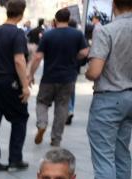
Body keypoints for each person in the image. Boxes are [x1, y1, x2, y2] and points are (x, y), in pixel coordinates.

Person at [85, 0, 132, 179]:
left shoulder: (106, 31)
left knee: (104, 158)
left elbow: (95, 72)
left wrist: (87, 69)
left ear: (114, 5)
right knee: (122, 155)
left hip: (109, 98)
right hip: (130, 97)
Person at [0, 0, 31, 172]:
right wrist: (25, 86)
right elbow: (19, 60)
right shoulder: (17, 34)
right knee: (19, 119)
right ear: (21, 13)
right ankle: (15, 159)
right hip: (10, 83)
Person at [28, 8, 89, 148]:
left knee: (42, 102)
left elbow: (38, 57)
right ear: (68, 19)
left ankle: (42, 123)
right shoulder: (77, 34)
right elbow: (85, 52)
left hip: (49, 77)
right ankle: (56, 139)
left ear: (55, 20)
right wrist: (75, 57)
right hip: (68, 78)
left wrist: (30, 75)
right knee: (62, 107)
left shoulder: (48, 35)